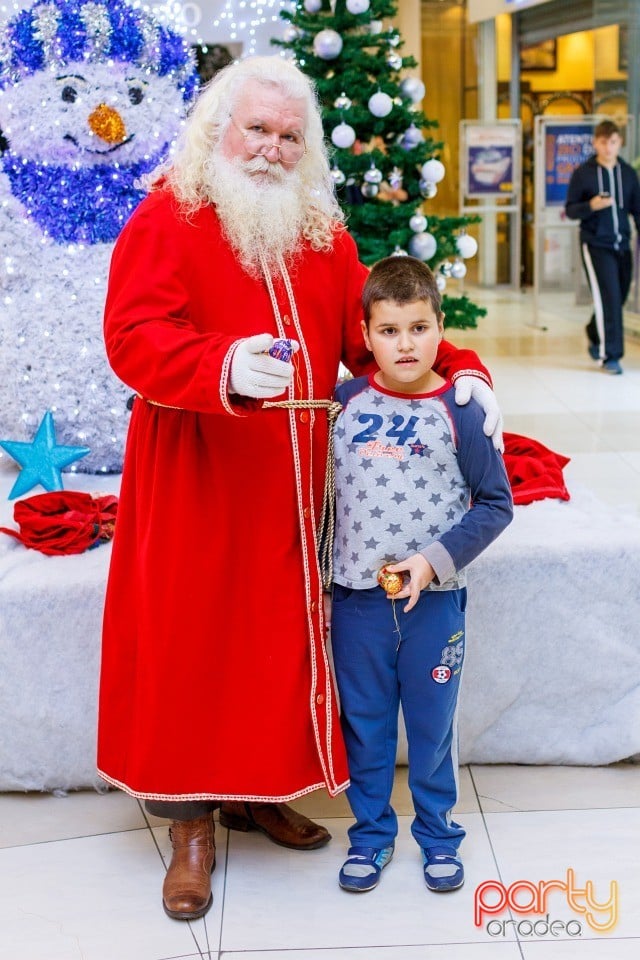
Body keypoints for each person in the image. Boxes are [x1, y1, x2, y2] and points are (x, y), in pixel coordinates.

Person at [96, 55, 503, 922]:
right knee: (193, 648)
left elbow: (372, 341)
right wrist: (218, 365)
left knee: (278, 649)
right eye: (258, 129)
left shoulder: (323, 235)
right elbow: (130, 335)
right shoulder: (168, 215)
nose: (272, 149)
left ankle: (258, 791)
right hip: (199, 481)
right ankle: (192, 826)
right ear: (220, 130)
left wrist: (464, 371)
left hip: (301, 497)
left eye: (289, 135)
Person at [330, 256, 513, 894]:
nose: (404, 344)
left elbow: (496, 504)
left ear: (440, 327)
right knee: (366, 726)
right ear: (366, 334)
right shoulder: (343, 405)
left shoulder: (461, 409)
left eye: (418, 328)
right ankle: (371, 836)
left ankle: (438, 835)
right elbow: (318, 499)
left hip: (434, 604)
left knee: (433, 727)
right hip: (356, 603)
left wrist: (433, 560)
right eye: (388, 331)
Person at [565, 119, 640, 375]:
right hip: (596, 244)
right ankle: (611, 356)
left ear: (620, 143)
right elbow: (570, 210)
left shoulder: (628, 174)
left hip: (622, 245)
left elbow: (637, 210)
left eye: (613, 142)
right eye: (604, 142)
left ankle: (593, 331)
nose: (608, 147)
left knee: (619, 297)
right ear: (595, 143)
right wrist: (591, 206)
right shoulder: (583, 174)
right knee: (609, 297)